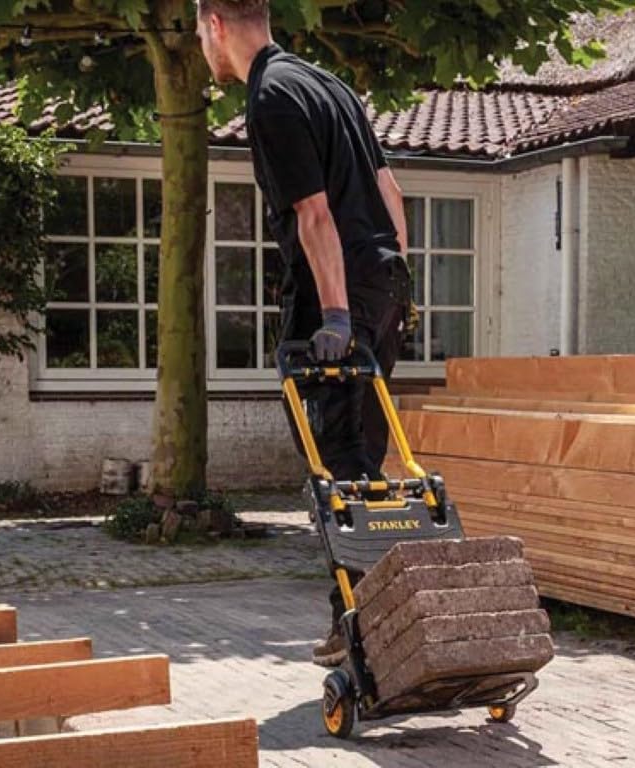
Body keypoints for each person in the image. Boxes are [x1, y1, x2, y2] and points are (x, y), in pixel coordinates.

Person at [197, 0, 413, 667]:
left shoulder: (270, 98)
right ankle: (365, 620)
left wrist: (338, 317)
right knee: (362, 461)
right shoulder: (328, 85)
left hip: (335, 293)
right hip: (384, 280)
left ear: (216, 26)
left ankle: (364, 629)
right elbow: (390, 191)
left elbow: (315, 215)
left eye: (199, 33)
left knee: (334, 464)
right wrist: (394, 296)